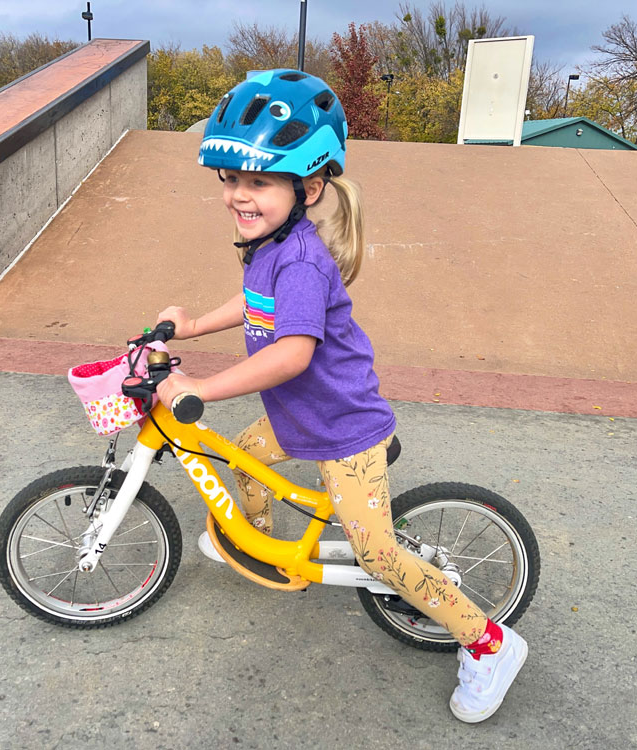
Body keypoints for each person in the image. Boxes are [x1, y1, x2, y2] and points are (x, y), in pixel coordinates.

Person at [154, 69, 527, 723]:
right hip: (301, 416)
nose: (239, 195)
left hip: (344, 429)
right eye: (232, 179)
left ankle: (489, 642)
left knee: (378, 553)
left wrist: (203, 388)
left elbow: (292, 352)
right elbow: (252, 306)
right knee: (245, 455)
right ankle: (255, 541)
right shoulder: (265, 248)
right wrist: (191, 326)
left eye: (259, 181)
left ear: (310, 185)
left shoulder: (300, 259)